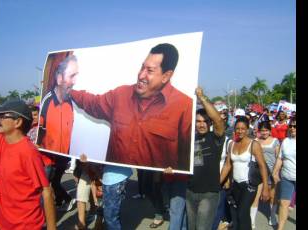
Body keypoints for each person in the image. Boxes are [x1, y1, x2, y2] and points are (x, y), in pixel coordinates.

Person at [68, 43, 192, 171]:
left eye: (149, 71)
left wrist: (177, 175)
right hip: (114, 181)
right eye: (142, 68)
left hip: (157, 185)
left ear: (166, 76)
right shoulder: (120, 95)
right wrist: (69, 91)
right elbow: (93, 103)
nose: (141, 75)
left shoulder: (185, 106)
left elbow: (187, 156)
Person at [0, 99, 56, 230]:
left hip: (25, 225)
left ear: (18, 122)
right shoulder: (0, 142)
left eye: (3, 117)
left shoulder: (28, 152)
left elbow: (46, 191)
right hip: (1, 223)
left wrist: (51, 227)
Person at [37, 54, 78, 210]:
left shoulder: (72, 104)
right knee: (44, 187)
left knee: (53, 183)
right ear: (60, 78)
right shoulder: (46, 102)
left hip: (63, 158)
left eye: (76, 76)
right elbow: (38, 132)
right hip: (47, 158)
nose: (75, 81)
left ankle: (63, 201)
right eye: (72, 76)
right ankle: (58, 204)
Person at [185, 87, 225, 230]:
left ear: (209, 123)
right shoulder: (191, 139)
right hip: (190, 191)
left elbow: (218, 120)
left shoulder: (215, 138)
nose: (201, 124)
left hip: (209, 194)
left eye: (204, 121)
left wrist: (202, 98)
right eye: (198, 121)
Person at [220, 116, 270, 230]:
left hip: (249, 186)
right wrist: (218, 182)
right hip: (235, 185)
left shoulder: (254, 145)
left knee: (242, 213)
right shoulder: (231, 144)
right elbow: (228, 165)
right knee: (236, 213)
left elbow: (262, 166)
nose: (240, 131)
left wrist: (266, 187)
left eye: (243, 128)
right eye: (237, 128)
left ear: (248, 129)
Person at [250, 121, 280, 228]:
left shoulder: (275, 141)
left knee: (272, 197)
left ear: (270, 131)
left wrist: (276, 173)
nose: (264, 133)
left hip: (272, 173)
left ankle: (272, 216)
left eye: (266, 130)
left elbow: (278, 158)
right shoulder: (255, 141)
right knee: (256, 197)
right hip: (258, 173)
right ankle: (252, 221)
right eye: (262, 130)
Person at [272, 119, 296, 230]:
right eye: (290, 126)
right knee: (283, 203)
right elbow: (280, 158)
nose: (292, 128)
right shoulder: (286, 141)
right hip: (287, 176)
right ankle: (280, 228)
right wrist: (275, 171)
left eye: (295, 126)